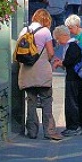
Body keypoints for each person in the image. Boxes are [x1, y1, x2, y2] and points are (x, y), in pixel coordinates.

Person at [17, 8, 63, 141]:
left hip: (26, 72)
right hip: (42, 72)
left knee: (31, 101)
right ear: (46, 20)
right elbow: (51, 52)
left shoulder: (24, 31)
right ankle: (49, 131)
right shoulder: (45, 32)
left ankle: (32, 131)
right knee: (46, 101)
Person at [52, 25, 82, 136]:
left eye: (57, 38)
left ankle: (74, 126)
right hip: (81, 78)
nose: (58, 41)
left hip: (74, 79)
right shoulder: (76, 44)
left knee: (72, 102)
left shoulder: (71, 46)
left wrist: (61, 63)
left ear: (63, 36)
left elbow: (69, 62)